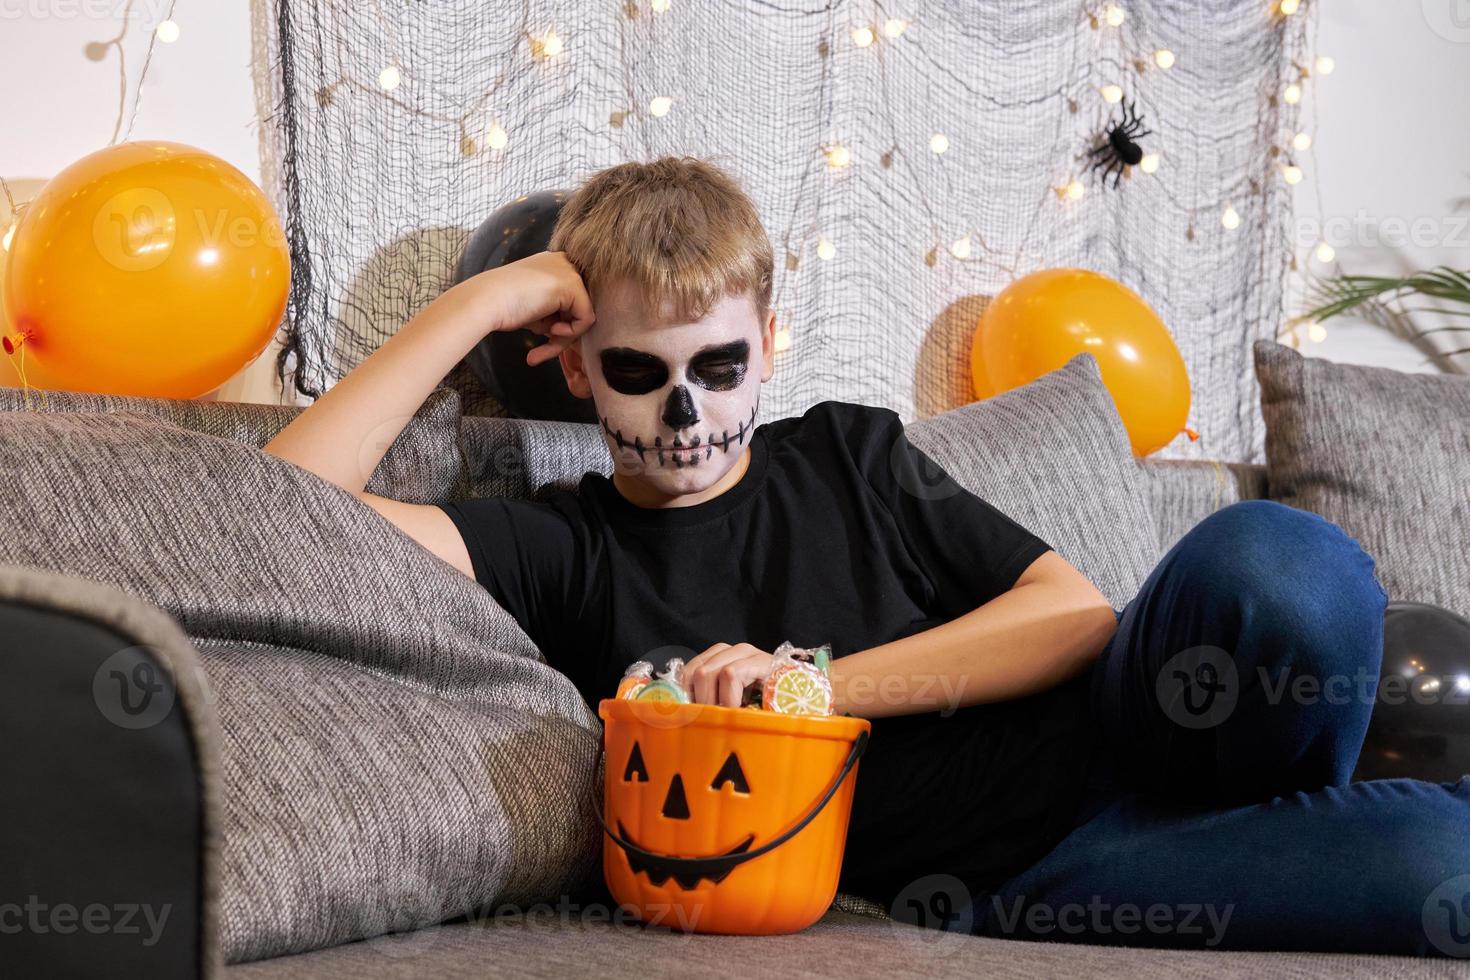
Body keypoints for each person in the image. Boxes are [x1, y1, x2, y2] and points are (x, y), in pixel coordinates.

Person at [264, 156, 1470, 958]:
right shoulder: (562, 548)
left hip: (1127, 719)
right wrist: (483, 302)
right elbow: (289, 505)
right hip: (1038, 865)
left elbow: (1075, 612)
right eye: (638, 371)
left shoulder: (846, 452)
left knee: (1283, 566)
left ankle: (1278, 808)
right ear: (576, 370)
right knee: (1436, 864)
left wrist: (812, 689)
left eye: (718, 366)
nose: (684, 410)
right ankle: (1298, 831)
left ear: (770, 346)